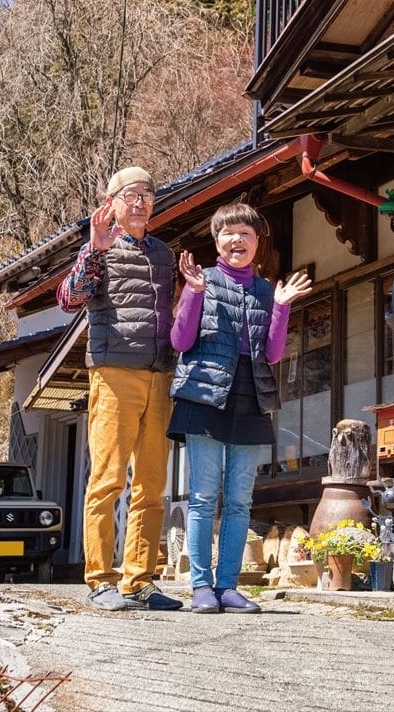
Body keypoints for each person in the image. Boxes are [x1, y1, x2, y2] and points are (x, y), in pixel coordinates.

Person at [168, 202, 312, 613]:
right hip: (204, 397)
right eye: (228, 234)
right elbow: (180, 342)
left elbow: (273, 351)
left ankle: (228, 586)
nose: (237, 241)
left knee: (239, 502)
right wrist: (193, 293)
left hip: (251, 398)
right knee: (202, 497)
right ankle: (200, 588)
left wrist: (282, 307)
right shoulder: (202, 281)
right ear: (216, 241)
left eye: (245, 234)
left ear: (257, 243)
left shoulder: (267, 291)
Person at [57, 166, 183, 612]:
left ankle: (140, 580)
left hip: (159, 373)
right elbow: (69, 298)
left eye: (148, 194)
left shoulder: (165, 254)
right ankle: (100, 579)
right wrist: (93, 250)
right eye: (131, 194)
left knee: (152, 483)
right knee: (108, 478)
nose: (141, 201)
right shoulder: (100, 249)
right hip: (113, 372)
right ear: (111, 202)